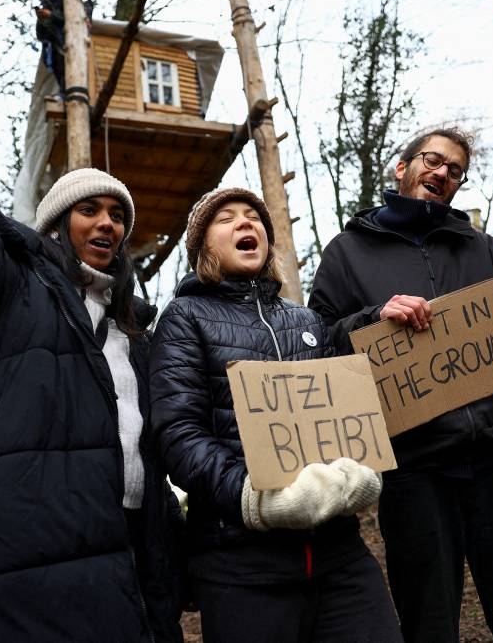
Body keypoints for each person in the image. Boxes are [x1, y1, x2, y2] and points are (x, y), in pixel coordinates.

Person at [0, 0, 183, 642]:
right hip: (15, 574)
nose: (107, 222)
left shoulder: (139, 332)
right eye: (90, 210)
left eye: (118, 214)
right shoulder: (4, 289)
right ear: (54, 224)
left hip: (130, 563)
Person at [308, 126, 493, 643]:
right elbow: (319, 341)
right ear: (403, 168)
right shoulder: (347, 251)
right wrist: (373, 317)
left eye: (455, 169)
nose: (442, 172)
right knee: (428, 622)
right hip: (413, 473)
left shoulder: (476, 247)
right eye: (432, 160)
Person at [149, 188, 402, 643]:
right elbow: (178, 433)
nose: (246, 224)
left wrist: (361, 469)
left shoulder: (307, 322)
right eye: (226, 219)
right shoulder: (184, 318)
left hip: (338, 556)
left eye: (254, 217)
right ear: (203, 246)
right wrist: (253, 498)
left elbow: (345, 416)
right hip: (240, 563)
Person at [33, 0, 65, 92]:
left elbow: (71, 20)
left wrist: (51, 15)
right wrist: (41, 20)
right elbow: (40, 36)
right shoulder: (45, 6)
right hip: (52, 49)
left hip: (66, 44)